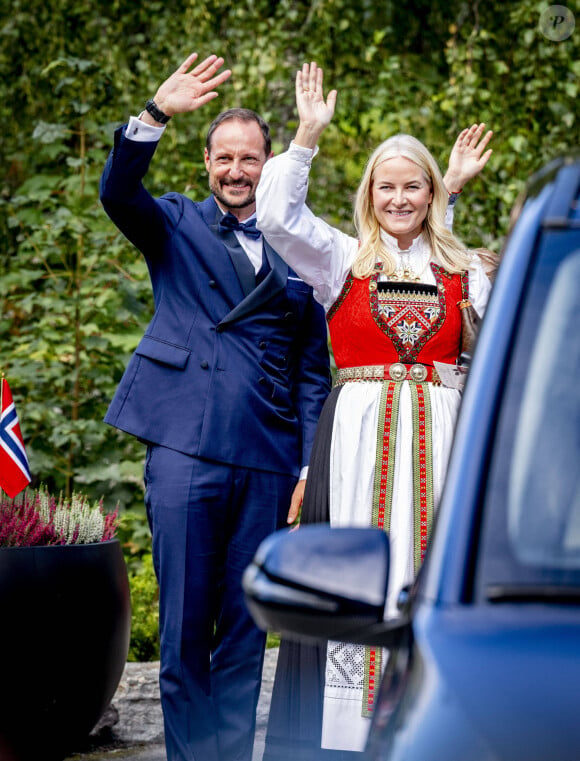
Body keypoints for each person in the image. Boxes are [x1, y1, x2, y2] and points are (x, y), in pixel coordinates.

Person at [255, 62, 494, 759]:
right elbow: (276, 215)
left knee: (433, 566)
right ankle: (346, 733)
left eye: (412, 185)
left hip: (442, 438)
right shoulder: (340, 257)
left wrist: (445, 187)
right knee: (358, 570)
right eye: (385, 185)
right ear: (367, 193)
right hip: (359, 440)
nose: (398, 198)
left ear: (434, 192)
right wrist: (305, 135)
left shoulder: (464, 269)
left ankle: (429, 719)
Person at [99, 52, 331, 761]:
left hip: (264, 458)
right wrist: (155, 114)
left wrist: (304, 464)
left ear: (270, 163)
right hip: (183, 449)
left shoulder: (300, 247)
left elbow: (311, 374)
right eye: (225, 157)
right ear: (205, 162)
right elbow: (118, 192)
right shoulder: (172, 224)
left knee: (242, 631)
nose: (238, 170)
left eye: (252, 158)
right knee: (183, 629)